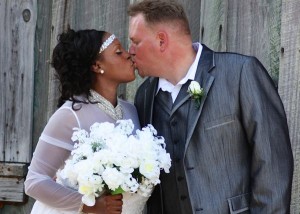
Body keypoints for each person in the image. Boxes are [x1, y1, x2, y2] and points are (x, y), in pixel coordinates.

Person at [128, 0, 294, 213]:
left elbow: (273, 166)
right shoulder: (145, 97)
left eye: (136, 41)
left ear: (161, 40)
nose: (130, 50)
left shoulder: (240, 74)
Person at [25, 28, 140, 213]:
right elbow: (34, 181)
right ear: (96, 65)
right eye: (119, 52)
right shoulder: (70, 116)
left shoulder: (132, 111)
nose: (128, 55)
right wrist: (87, 205)